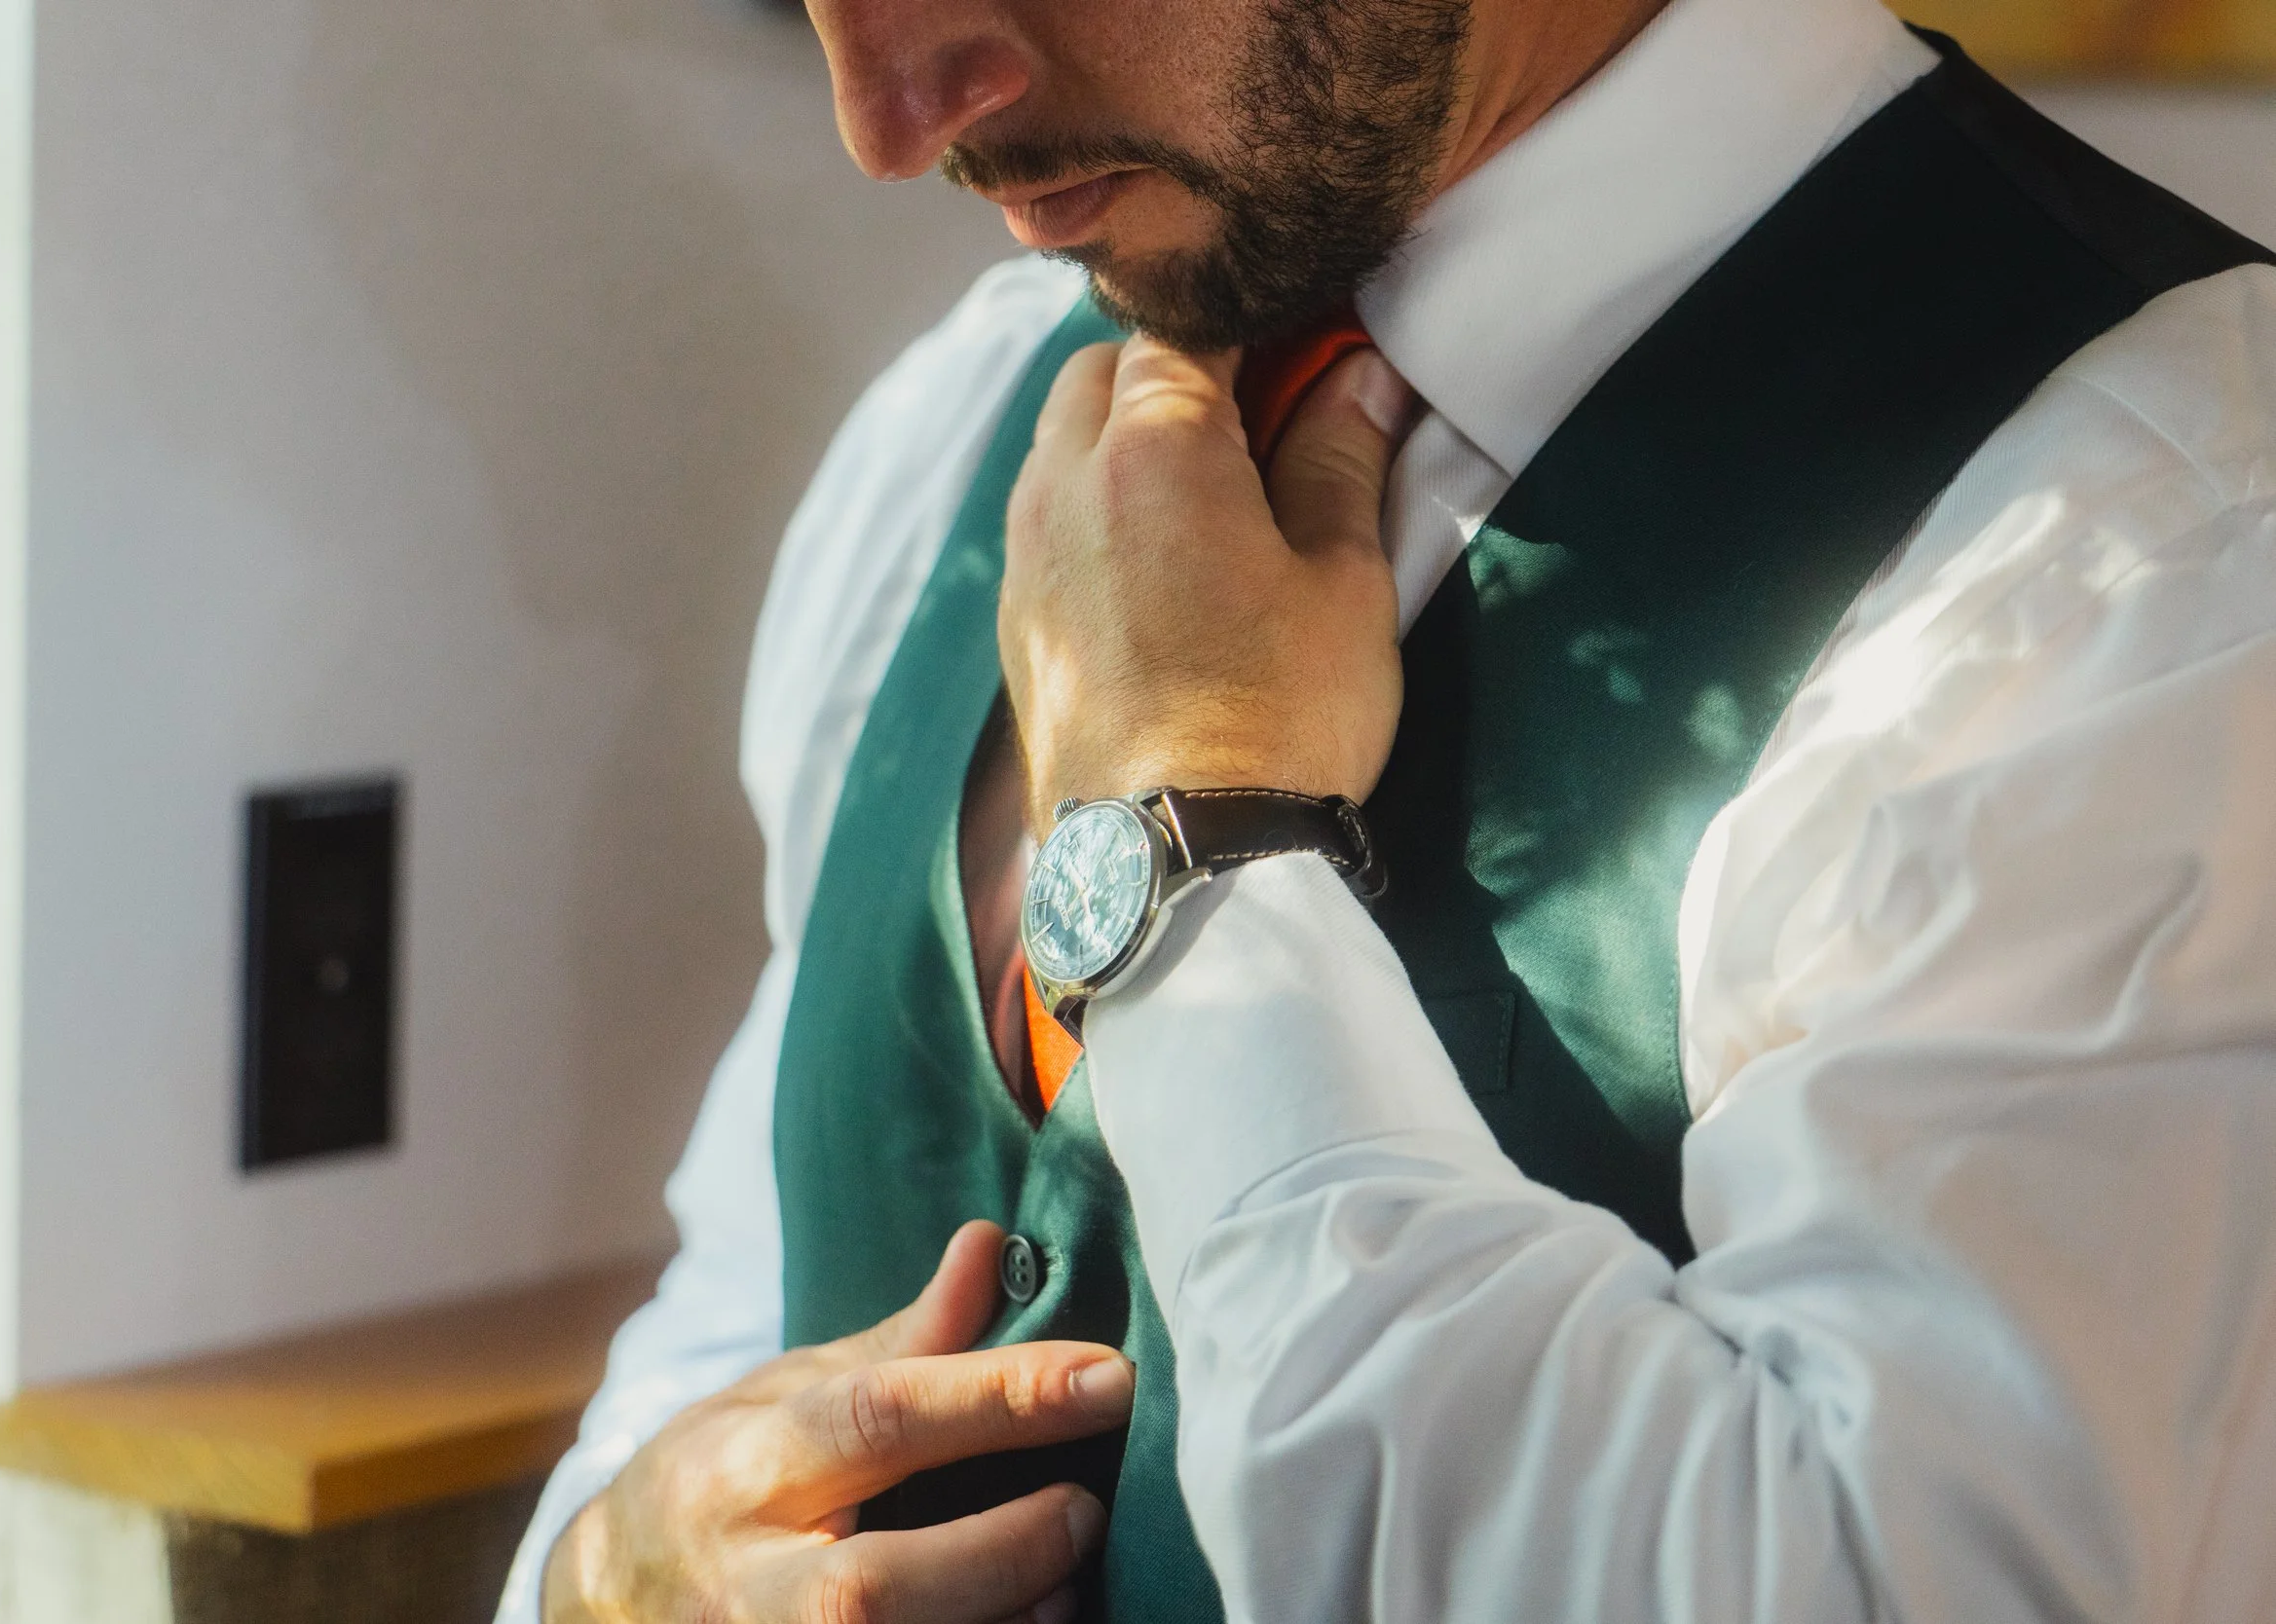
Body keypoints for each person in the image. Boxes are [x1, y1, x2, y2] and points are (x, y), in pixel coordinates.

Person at [504, 0, 2276, 1610]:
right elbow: (757, 1277)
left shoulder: (2178, 539)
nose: (889, 115)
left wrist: (1190, 841)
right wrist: (606, 1578)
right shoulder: (963, 413)